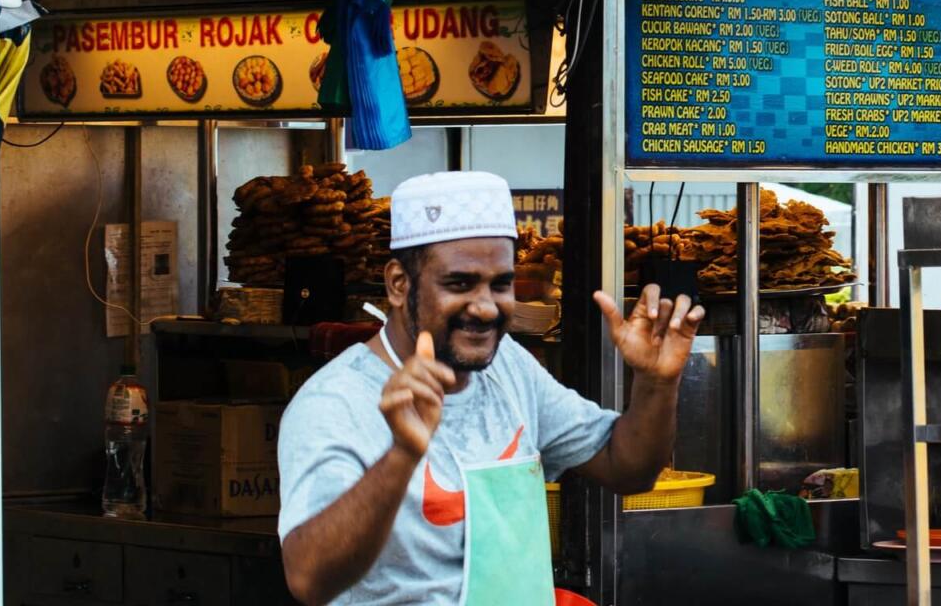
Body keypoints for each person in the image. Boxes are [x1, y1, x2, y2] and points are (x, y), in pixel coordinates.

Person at [278, 171, 702, 605]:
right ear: (399, 284)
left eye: (500, 284)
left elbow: (626, 467)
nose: (485, 307)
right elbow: (309, 580)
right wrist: (401, 456)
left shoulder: (508, 366)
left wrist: (655, 382)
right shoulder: (335, 403)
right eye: (459, 284)